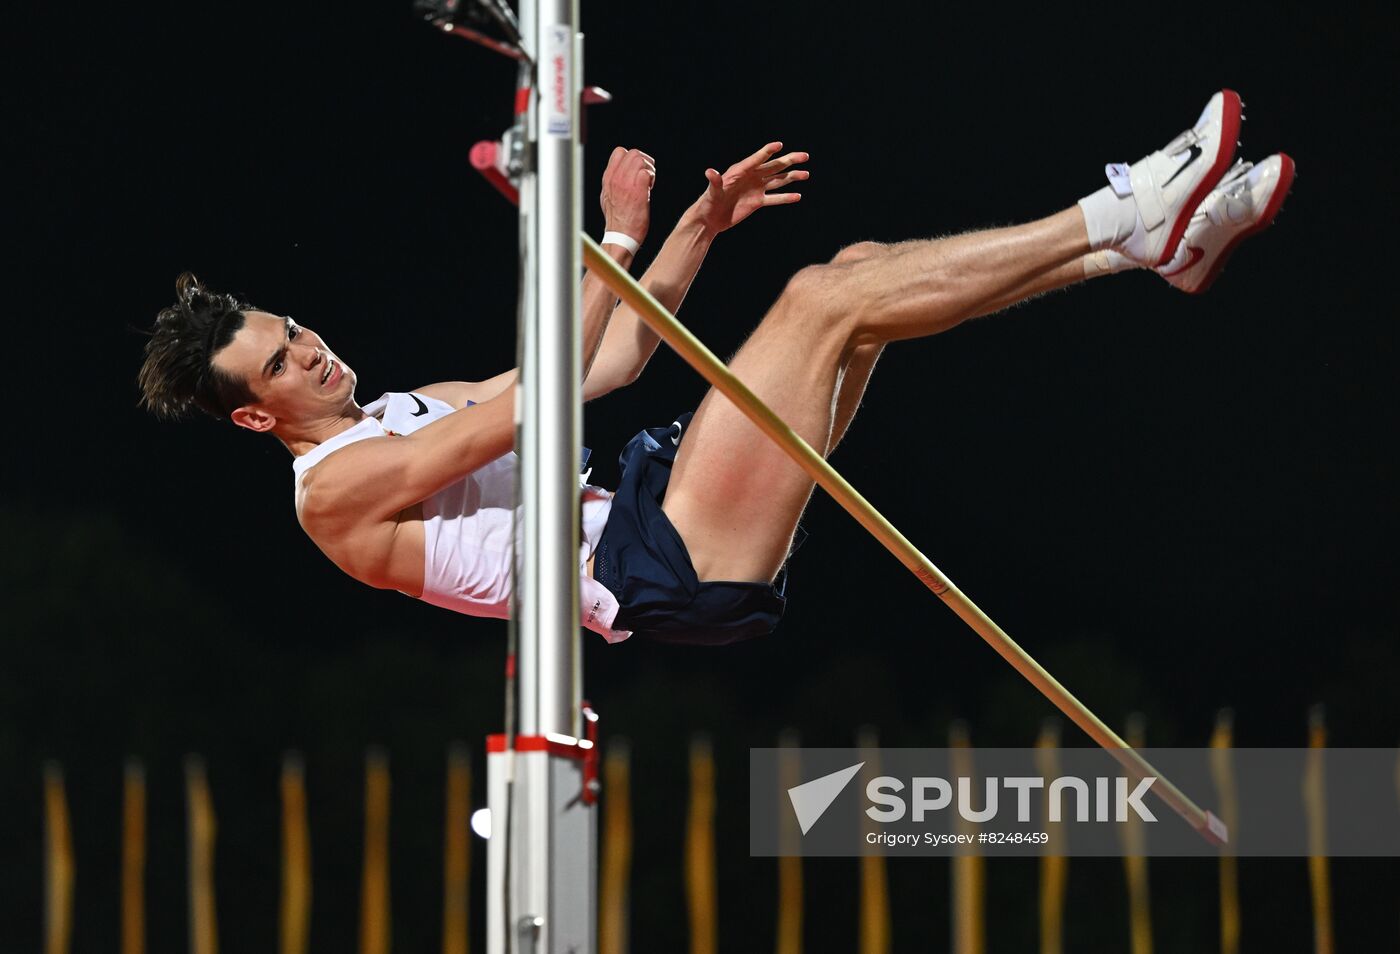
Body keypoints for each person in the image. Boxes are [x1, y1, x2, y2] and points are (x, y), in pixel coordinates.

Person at [138, 90, 1293, 647]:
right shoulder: (331, 494)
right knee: (819, 302)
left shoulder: (397, 405)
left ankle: (1147, 252)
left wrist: (692, 229)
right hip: (658, 562)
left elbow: (610, 358)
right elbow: (528, 408)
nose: (314, 353)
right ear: (254, 419)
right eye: (285, 364)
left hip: (647, 496)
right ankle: (1125, 206)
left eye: (296, 331)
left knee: (857, 275)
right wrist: (616, 240)